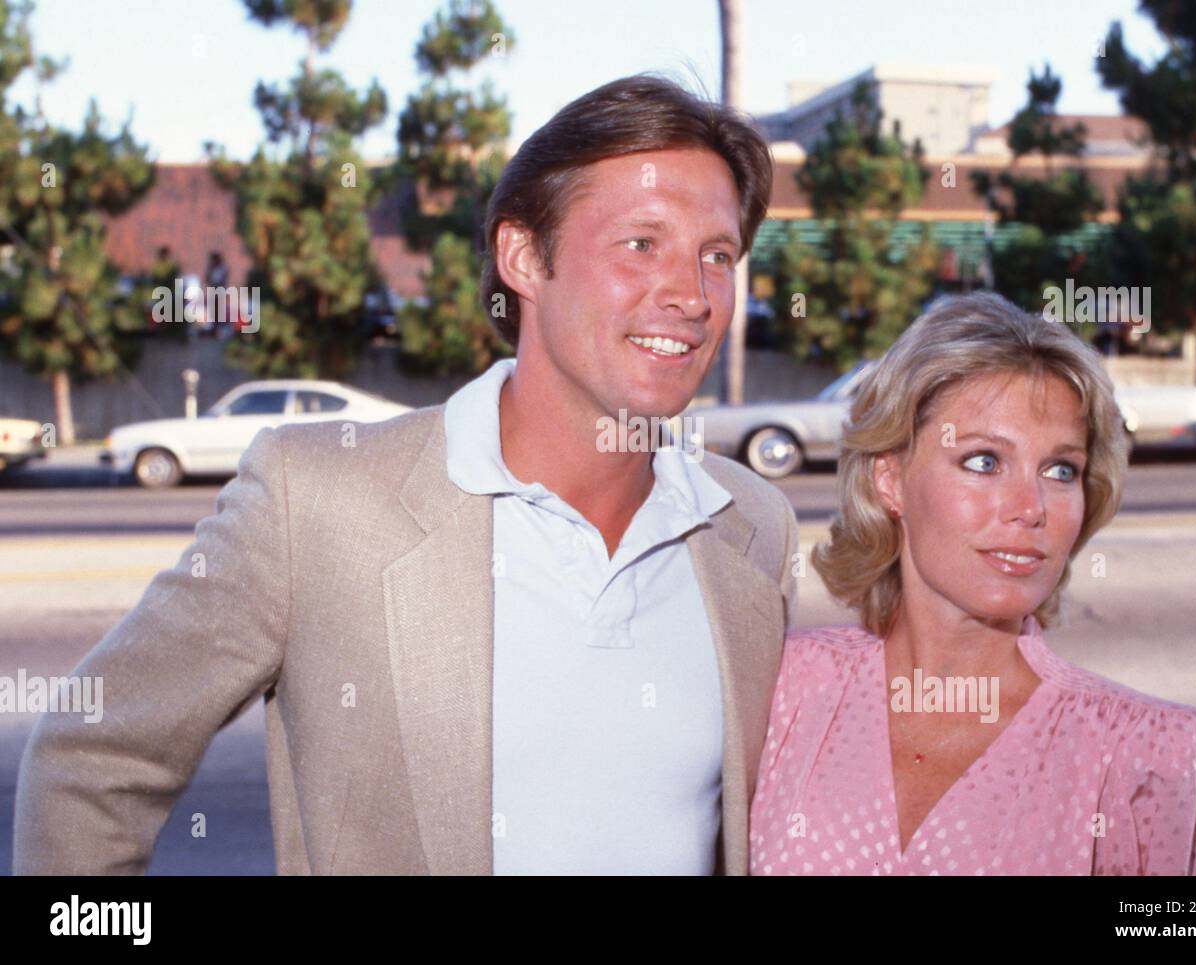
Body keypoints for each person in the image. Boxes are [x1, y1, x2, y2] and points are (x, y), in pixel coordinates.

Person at [15, 73, 798, 875]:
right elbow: (92, 758)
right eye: (642, 243)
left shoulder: (751, 526)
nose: (692, 294)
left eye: (718, 255)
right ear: (524, 256)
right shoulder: (316, 500)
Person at [749, 292, 1196, 875]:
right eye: (984, 462)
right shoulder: (779, 690)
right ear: (890, 480)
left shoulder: (1146, 751)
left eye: (1060, 470)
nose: (1032, 508)